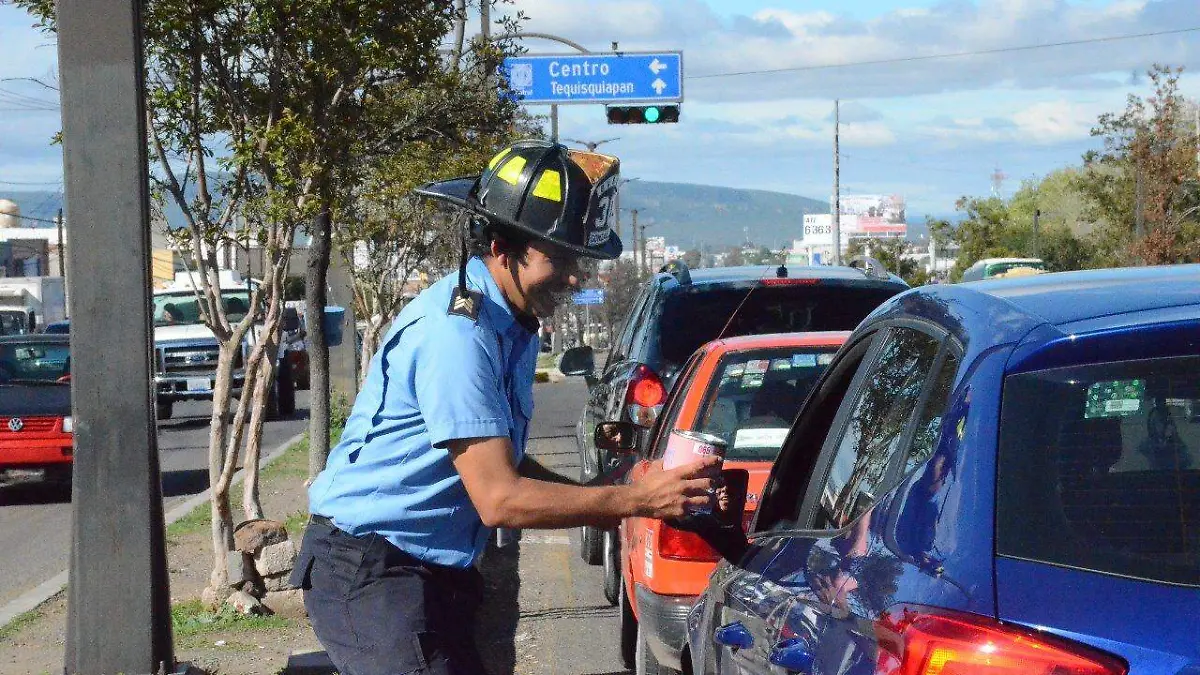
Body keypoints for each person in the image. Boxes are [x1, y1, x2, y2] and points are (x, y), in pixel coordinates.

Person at [290, 140, 717, 675]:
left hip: (432, 565)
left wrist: (600, 493)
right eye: (558, 258)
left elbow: (503, 466)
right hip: (371, 565)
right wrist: (632, 500)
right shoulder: (458, 337)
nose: (573, 277)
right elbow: (499, 499)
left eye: (576, 259)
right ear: (500, 248)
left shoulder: (508, 325)